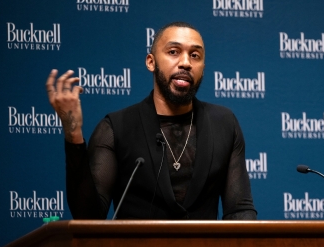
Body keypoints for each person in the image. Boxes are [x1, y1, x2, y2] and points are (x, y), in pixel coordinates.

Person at [45, 22, 257, 220]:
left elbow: (240, 211)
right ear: (151, 62)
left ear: (203, 67)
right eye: (173, 52)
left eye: (195, 55)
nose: (185, 62)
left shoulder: (224, 123)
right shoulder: (116, 127)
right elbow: (89, 217)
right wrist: (73, 133)